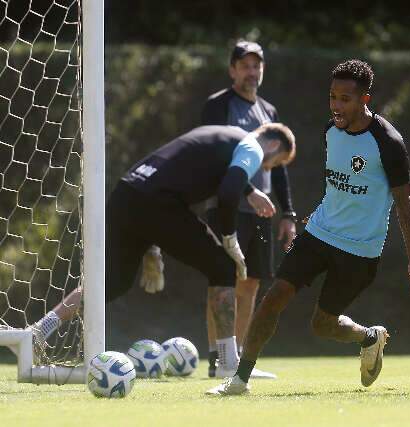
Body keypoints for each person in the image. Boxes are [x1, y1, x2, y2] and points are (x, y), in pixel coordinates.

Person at [208, 59, 410, 396]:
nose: (336, 105)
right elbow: (338, 185)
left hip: (360, 249)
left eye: (345, 99)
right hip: (320, 234)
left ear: (365, 99)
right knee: (273, 297)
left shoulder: (388, 143)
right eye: (333, 97)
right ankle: (239, 380)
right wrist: (319, 215)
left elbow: (404, 205)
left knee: (322, 326)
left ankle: (369, 337)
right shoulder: (330, 131)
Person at [32, 124, 296, 379]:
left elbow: (186, 169)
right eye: (271, 164)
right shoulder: (252, 147)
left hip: (126, 195)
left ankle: (38, 332)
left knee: (112, 283)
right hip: (157, 204)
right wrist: (230, 239)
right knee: (223, 267)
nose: (264, 167)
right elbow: (228, 192)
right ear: (272, 144)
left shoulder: (223, 135)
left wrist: (152, 244)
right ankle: (228, 363)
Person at [141, 40, 295, 379]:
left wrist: (288, 214)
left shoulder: (269, 112)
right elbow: (217, 156)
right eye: (245, 65)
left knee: (252, 283)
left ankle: (239, 360)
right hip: (227, 206)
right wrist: (250, 190)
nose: (252, 72)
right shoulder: (218, 106)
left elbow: (279, 167)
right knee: (223, 279)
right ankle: (218, 357)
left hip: (262, 213)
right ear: (232, 70)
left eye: (257, 65)